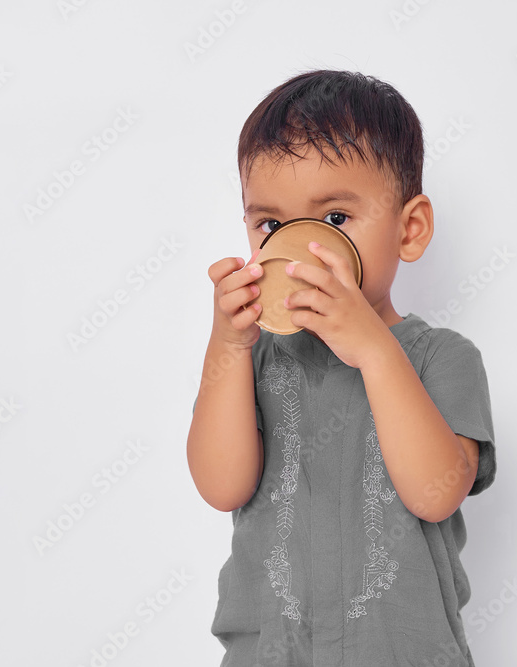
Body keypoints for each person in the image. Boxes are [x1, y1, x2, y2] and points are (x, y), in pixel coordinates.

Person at [187, 69, 497, 667]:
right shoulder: (253, 356)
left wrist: (375, 350)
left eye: (333, 220)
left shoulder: (444, 358)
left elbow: (436, 493)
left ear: (409, 229)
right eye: (271, 226)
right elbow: (220, 485)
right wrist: (227, 343)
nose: (299, 249)